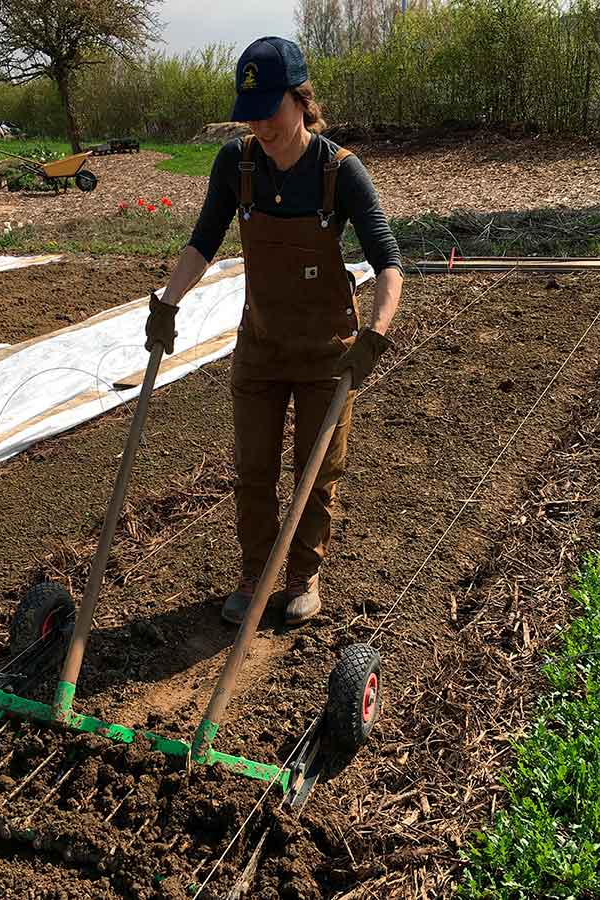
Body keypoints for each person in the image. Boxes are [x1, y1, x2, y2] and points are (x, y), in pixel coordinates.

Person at [144, 36, 404, 626]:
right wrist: (168, 302)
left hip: (326, 353)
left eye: (270, 110)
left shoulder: (340, 171)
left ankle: (303, 575)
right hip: (260, 345)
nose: (259, 124)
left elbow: (389, 261)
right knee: (253, 470)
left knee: (316, 470)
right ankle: (255, 574)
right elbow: (203, 243)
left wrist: (376, 333)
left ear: (301, 100)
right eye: (250, 113)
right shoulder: (236, 165)